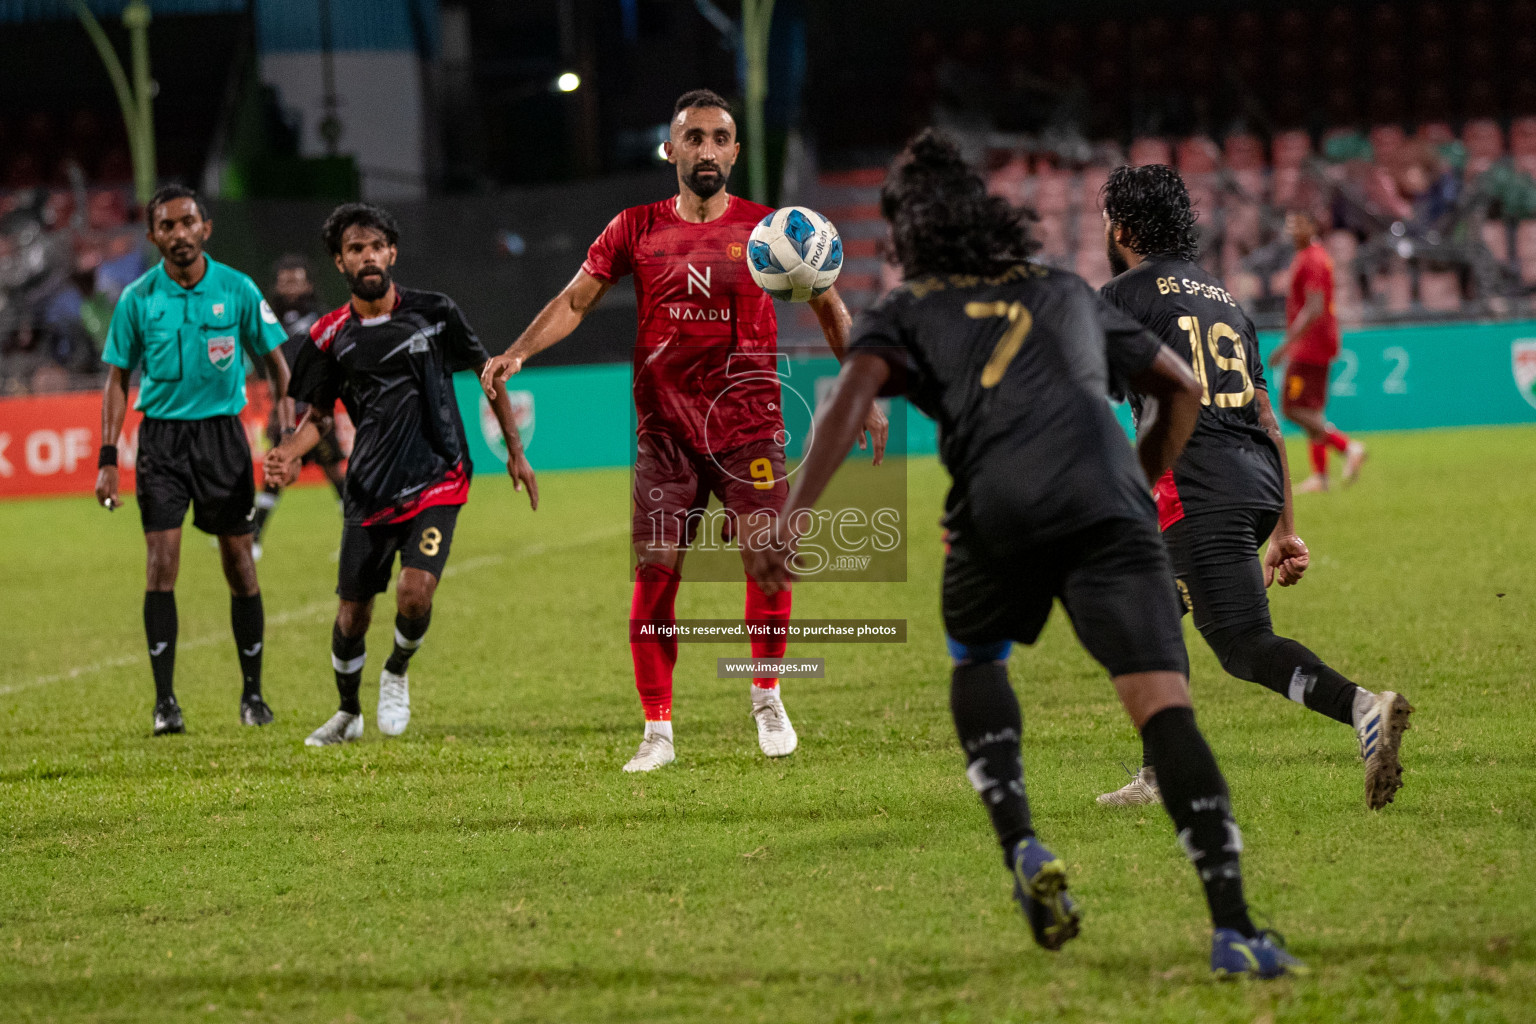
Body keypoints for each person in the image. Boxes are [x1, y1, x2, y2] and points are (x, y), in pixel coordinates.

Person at [748, 131, 1303, 977]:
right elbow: (1181, 389)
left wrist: (790, 519)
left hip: (997, 504)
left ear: (908, 237)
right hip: (1110, 506)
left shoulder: (907, 308)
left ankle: (1023, 846)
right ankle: (1235, 927)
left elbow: (848, 402)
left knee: (978, 659)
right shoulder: (1068, 289)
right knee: (1165, 706)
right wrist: (1137, 481)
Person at [480, 89, 888, 773]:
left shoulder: (773, 233)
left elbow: (831, 309)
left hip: (749, 428)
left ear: (734, 150)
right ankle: (658, 730)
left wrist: (864, 390)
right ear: (672, 149)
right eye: (692, 137)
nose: (705, 149)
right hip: (664, 434)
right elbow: (577, 300)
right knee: (656, 573)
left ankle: (766, 695)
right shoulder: (634, 228)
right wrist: (520, 351)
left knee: (769, 558)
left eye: (718, 137)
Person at [1096, 165, 1413, 811]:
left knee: (1242, 644)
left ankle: (1363, 708)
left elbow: (1092, 388)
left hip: (1196, 485)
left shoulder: (1124, 295)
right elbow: (1267, 418)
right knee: (1146, 615)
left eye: (1108, 219)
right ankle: (1160, 778)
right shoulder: (1222, 297)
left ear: (1124, 227)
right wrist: (1287, 527)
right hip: (1255, 481)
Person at [264, 203, 537, 747]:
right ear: (339, 263)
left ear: (391, 252)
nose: (367, 257)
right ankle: (347, 713)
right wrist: (291, 451)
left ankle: (396, 671)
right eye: (354, 250)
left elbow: (490, 375)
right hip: (369, 489)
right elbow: (316, 418)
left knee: (415, 593)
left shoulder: (435, 313)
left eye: (375, 246)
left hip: (440, 475)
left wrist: (515, 451)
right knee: (351, 616)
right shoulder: (327, 336)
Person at [95, 184, 293, 735]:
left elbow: (280, 368)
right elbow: (116, 379)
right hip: (161, 443)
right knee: (161, 566)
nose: (178, 233)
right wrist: (108, 455)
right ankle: (165, 704)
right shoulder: (138, 297)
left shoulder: (238, 289)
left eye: (188, 222)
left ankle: (253, 696)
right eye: (167, 225)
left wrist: (288, 436)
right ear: (153, 234)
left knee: (240, 564)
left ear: (206, 228)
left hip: (222, 441)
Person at [251, 253, 346, 557]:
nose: (290, 285)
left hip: (316, 411)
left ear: (308, 282)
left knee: (335, 471)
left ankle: (355, 536)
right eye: (285, 279)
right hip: (284, 410)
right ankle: (253, 538)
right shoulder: (267, 319)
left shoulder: (324, 317)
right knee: (276, 472)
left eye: (297, 278)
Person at [1267, 207, 1366, 492]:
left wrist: (1286, 346)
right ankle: (1321, 476)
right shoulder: (1314, 256)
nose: (1292, 230)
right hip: (1317, 343)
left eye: (1298, 223)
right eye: (1289, 224)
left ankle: (1347, 447)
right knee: (1311, 409)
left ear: (1313, 225)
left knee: (1291, 409)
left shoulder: (1312, 259)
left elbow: (1314, 308)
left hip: (1309, 346)